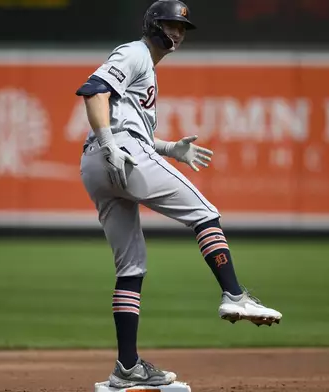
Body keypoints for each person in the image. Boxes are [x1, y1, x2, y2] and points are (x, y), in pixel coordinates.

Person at [75, 0, 282, 388]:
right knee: (205, 212)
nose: (177, 33)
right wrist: (110, 143)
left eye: (182, 28)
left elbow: (129, 123)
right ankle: (235, 295)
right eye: (171, 24)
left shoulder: (146, 70)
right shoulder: (134, 52)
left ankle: (127, 368)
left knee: (131, 267)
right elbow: (94, 92)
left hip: (99, 164)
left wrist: (170, 149)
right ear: (153, 24)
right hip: (116, 152)